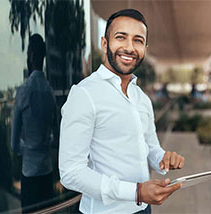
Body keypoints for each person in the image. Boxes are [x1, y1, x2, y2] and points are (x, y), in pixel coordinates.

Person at [59, 9, 185, 213]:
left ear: (145, 48)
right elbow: (71, 173)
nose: (129, 47)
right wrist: (135, 192)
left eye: (137, 40)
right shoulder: (84, 94)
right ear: (104, 43)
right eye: (120, 37)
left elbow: (150, 148)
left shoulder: (142, 98)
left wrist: (163, 158)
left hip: (144, 209)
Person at [11, 34, 59, 213]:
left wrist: (30, 147)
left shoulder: (23, 92)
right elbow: (56, 139)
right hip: (46, 173)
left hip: (30, 174)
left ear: (30, 56)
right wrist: (44, 143)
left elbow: (14, 145)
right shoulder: (50, 93)